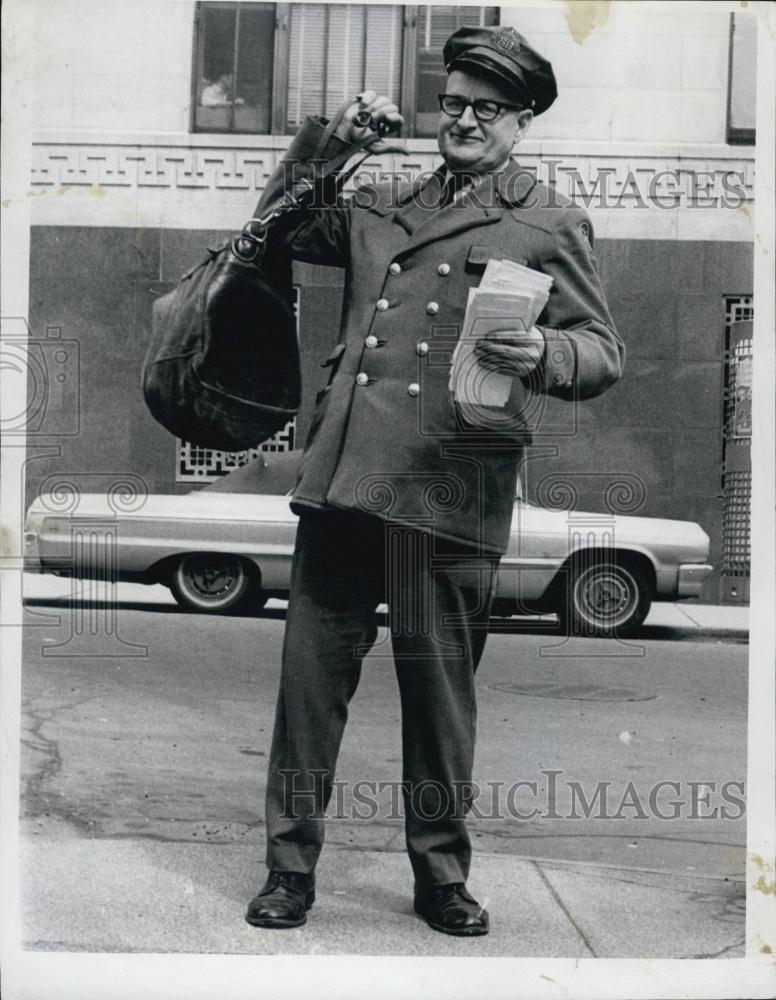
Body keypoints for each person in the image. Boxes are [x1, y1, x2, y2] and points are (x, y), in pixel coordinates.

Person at [245, 25, 624, 937]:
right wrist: (339, 142)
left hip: (451, 489)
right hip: (346, 483)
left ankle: (441, 877)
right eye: (450, 104)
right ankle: (289, 871)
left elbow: (604, 352)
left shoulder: (548, 220)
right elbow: (278, 226)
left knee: (440, 698)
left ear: (521, 122)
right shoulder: (383, 202)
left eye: (484, 111)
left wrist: (545, 348)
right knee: (309, 692)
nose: (462, 121)